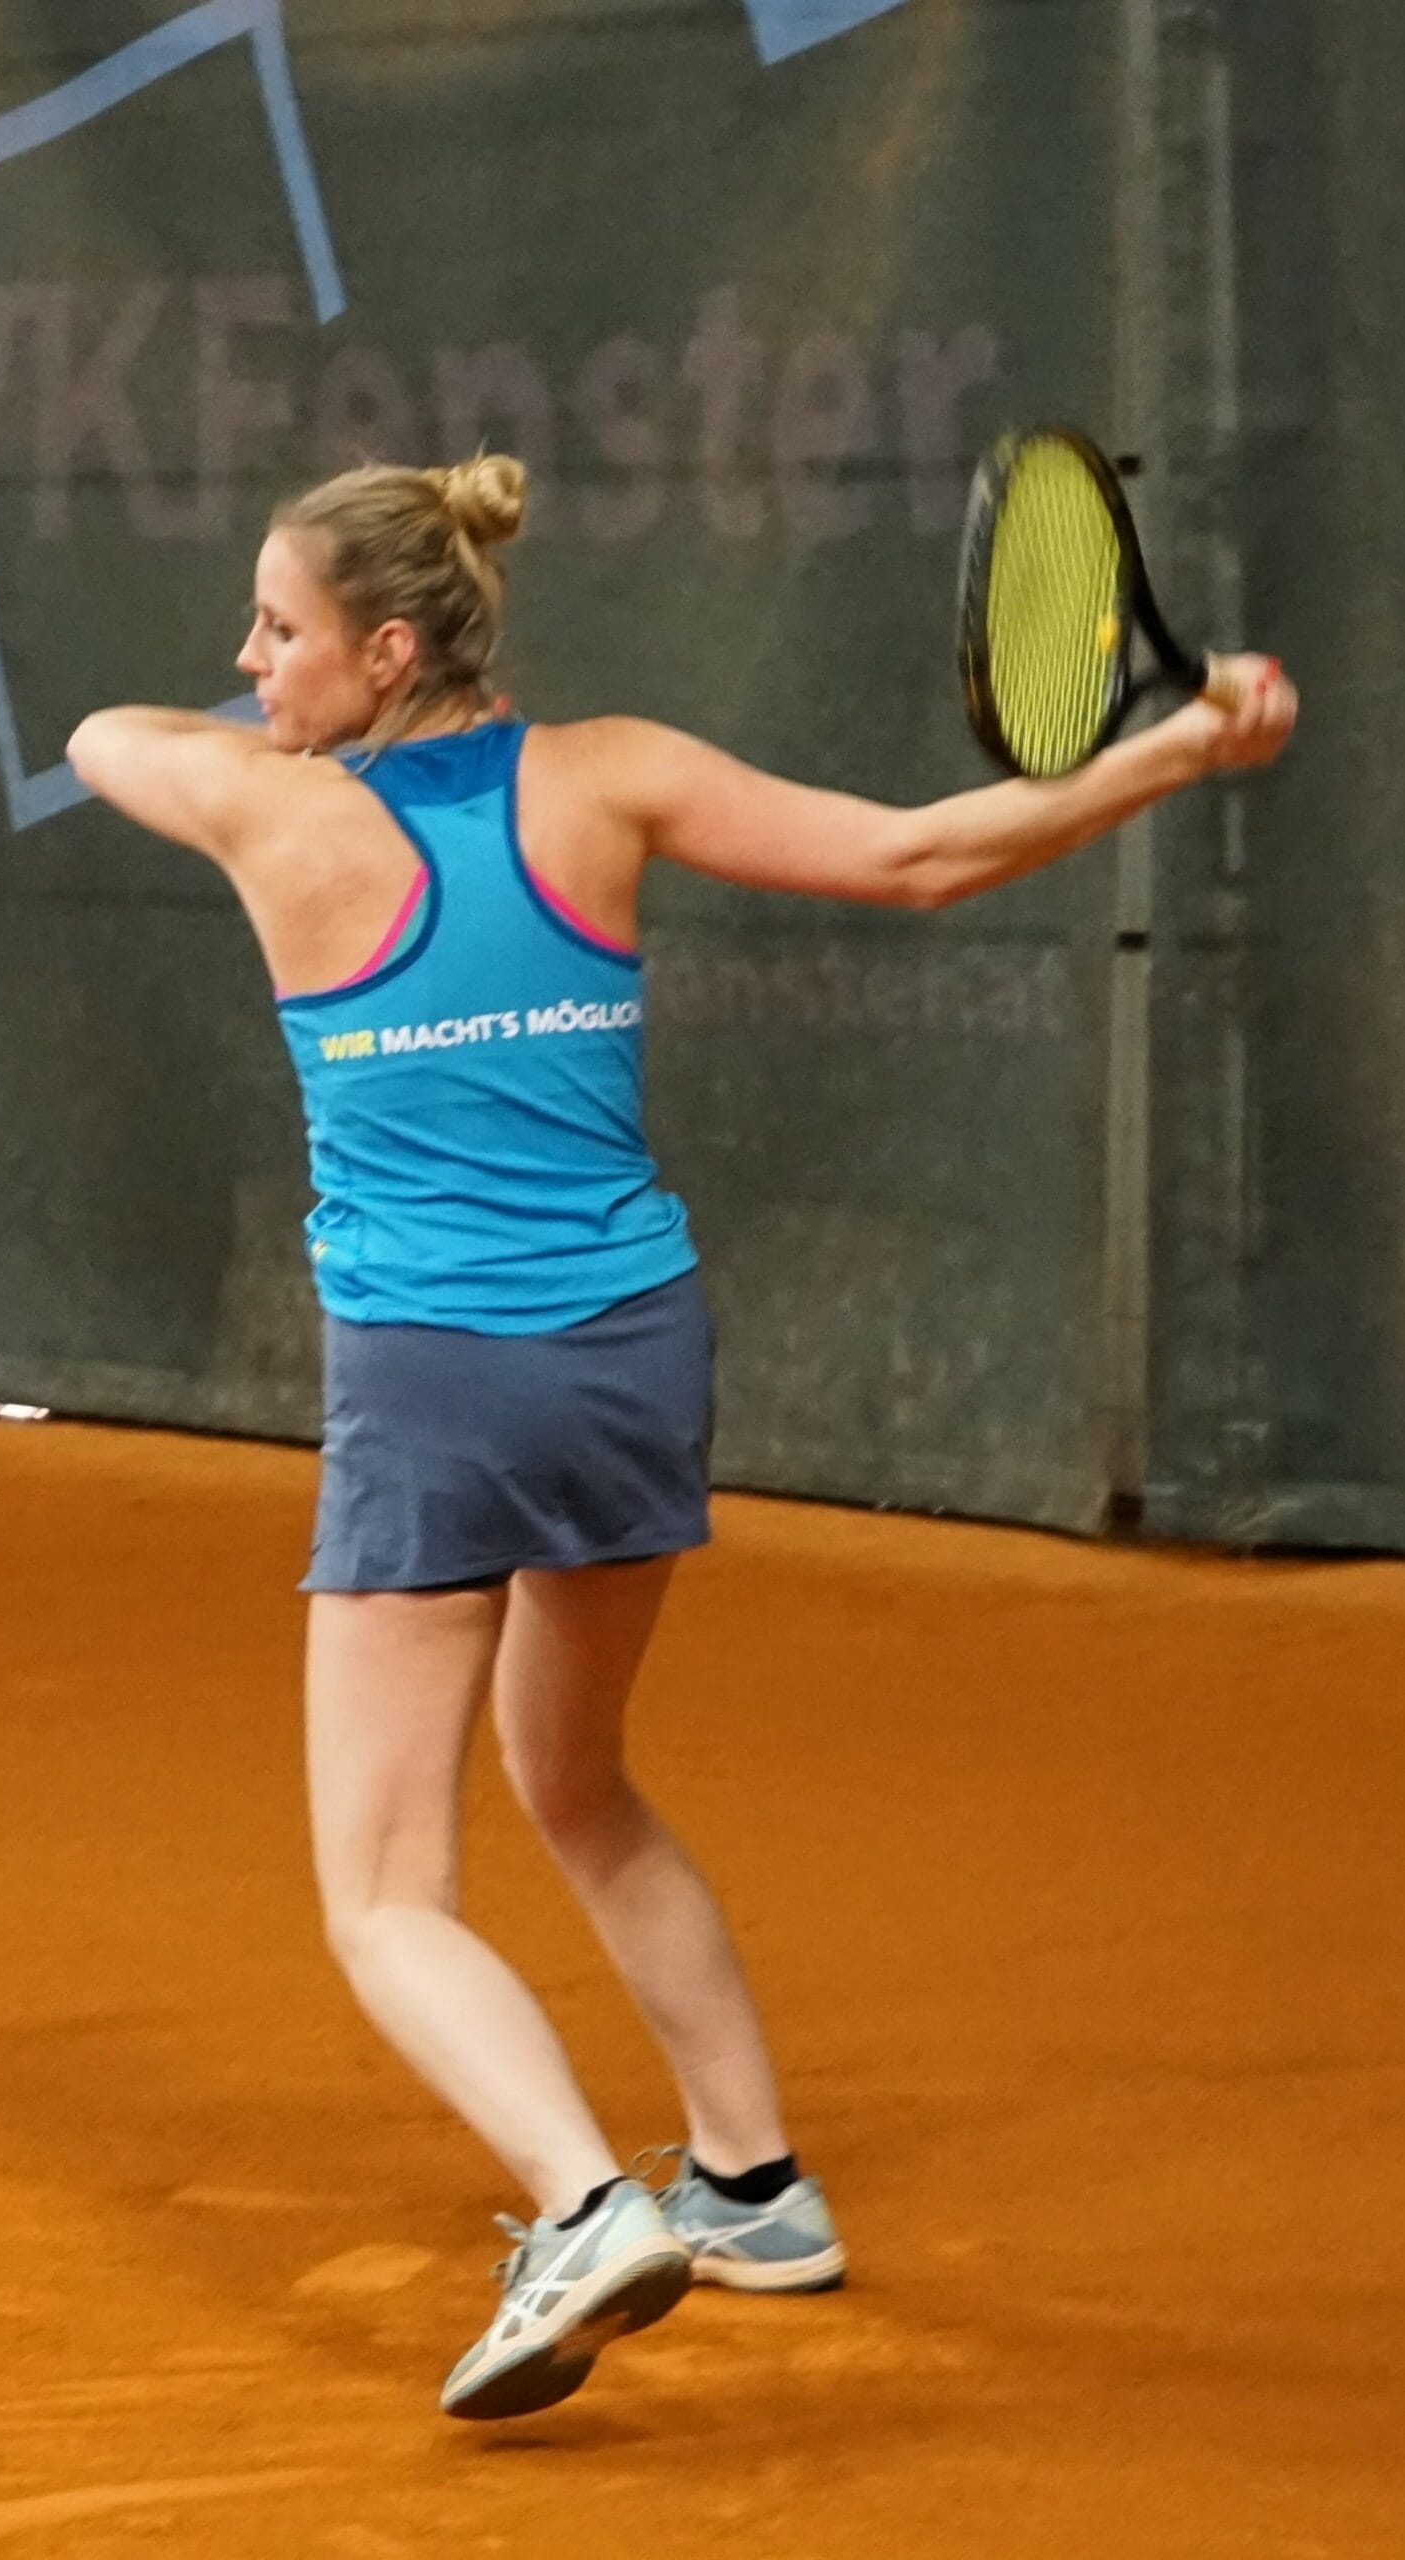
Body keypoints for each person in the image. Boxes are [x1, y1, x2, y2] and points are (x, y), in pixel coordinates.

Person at [67, 454, 1298, 2422]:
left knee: (382, 1892)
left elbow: (100, 735)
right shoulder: (613, 775)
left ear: (387, 649)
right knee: (573, 1775)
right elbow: (920, 856)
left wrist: (278, 731)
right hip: (635, 1354)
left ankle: (582, 2207)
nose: (247, 657)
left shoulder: (261, 809)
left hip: (438, 1380)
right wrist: (1173, 750)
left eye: (280, 628)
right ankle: (752, 2182)